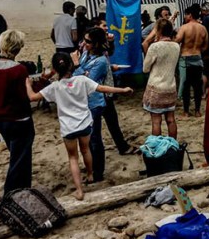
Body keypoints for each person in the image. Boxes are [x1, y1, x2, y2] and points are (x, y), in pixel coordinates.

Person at [27, 53, 131, 200]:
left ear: (55, 70)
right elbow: (102, 88)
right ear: (71, 65)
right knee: (86, 150)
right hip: (84, 124)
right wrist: (123, 90)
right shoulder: (82, 80)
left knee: (73, 158)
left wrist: (27, 85)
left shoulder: (55, 87)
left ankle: (79, 190)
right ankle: (90, 174)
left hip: (68, 127)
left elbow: (32, 97)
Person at [72, 28, 133, 182]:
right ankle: (93, 167)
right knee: (91, 135)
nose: (84, 43)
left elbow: (88, 81)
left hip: (96, 101)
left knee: (94, 137)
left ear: (96, 44)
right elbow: (78, 77)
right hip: (86, 100)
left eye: (88, 41)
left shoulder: (100, 60)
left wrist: (77, 66)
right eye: (84, 40)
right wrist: (81, 70)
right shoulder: (86, 54)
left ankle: (97, 171)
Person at [0, 30, 34, 193]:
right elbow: (24, 97)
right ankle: (11, 193)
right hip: (19, 119)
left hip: (0, 118)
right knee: (20, 160)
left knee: (18, 156)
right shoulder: (19, 70)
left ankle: (21, 190)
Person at [91, 17, 134, 155]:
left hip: (105, 88)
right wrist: (110, 67)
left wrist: (111, 42)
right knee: (102, 124)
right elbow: (92, 67)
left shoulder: (100, 43)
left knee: (111, 120)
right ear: (96, 26)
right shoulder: (90, 45)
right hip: (99, 91)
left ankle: (121, 146)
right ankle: (116, 148)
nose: (107, 28)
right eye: (104, 25)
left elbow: (109, 52)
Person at [143, 19, 180, 138]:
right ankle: (173, 144)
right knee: (171, 119)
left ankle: (157, 146)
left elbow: (145, 68)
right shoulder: (176, 46)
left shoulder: (155, 47)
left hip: (156, 88)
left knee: (156, 121)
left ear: (158, 30)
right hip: (170, 87)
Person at [175, 4, 208, 117]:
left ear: (190, 15)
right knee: (197, 86)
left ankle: (186, 111)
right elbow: (205, 46)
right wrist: (197, 49)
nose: (185, 17)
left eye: (185, 15)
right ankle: (197, 111)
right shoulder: (203, 28)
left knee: (186, 86)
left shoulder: (184, 27)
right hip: (198, 57)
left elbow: (176, 40)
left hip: (185, 58)